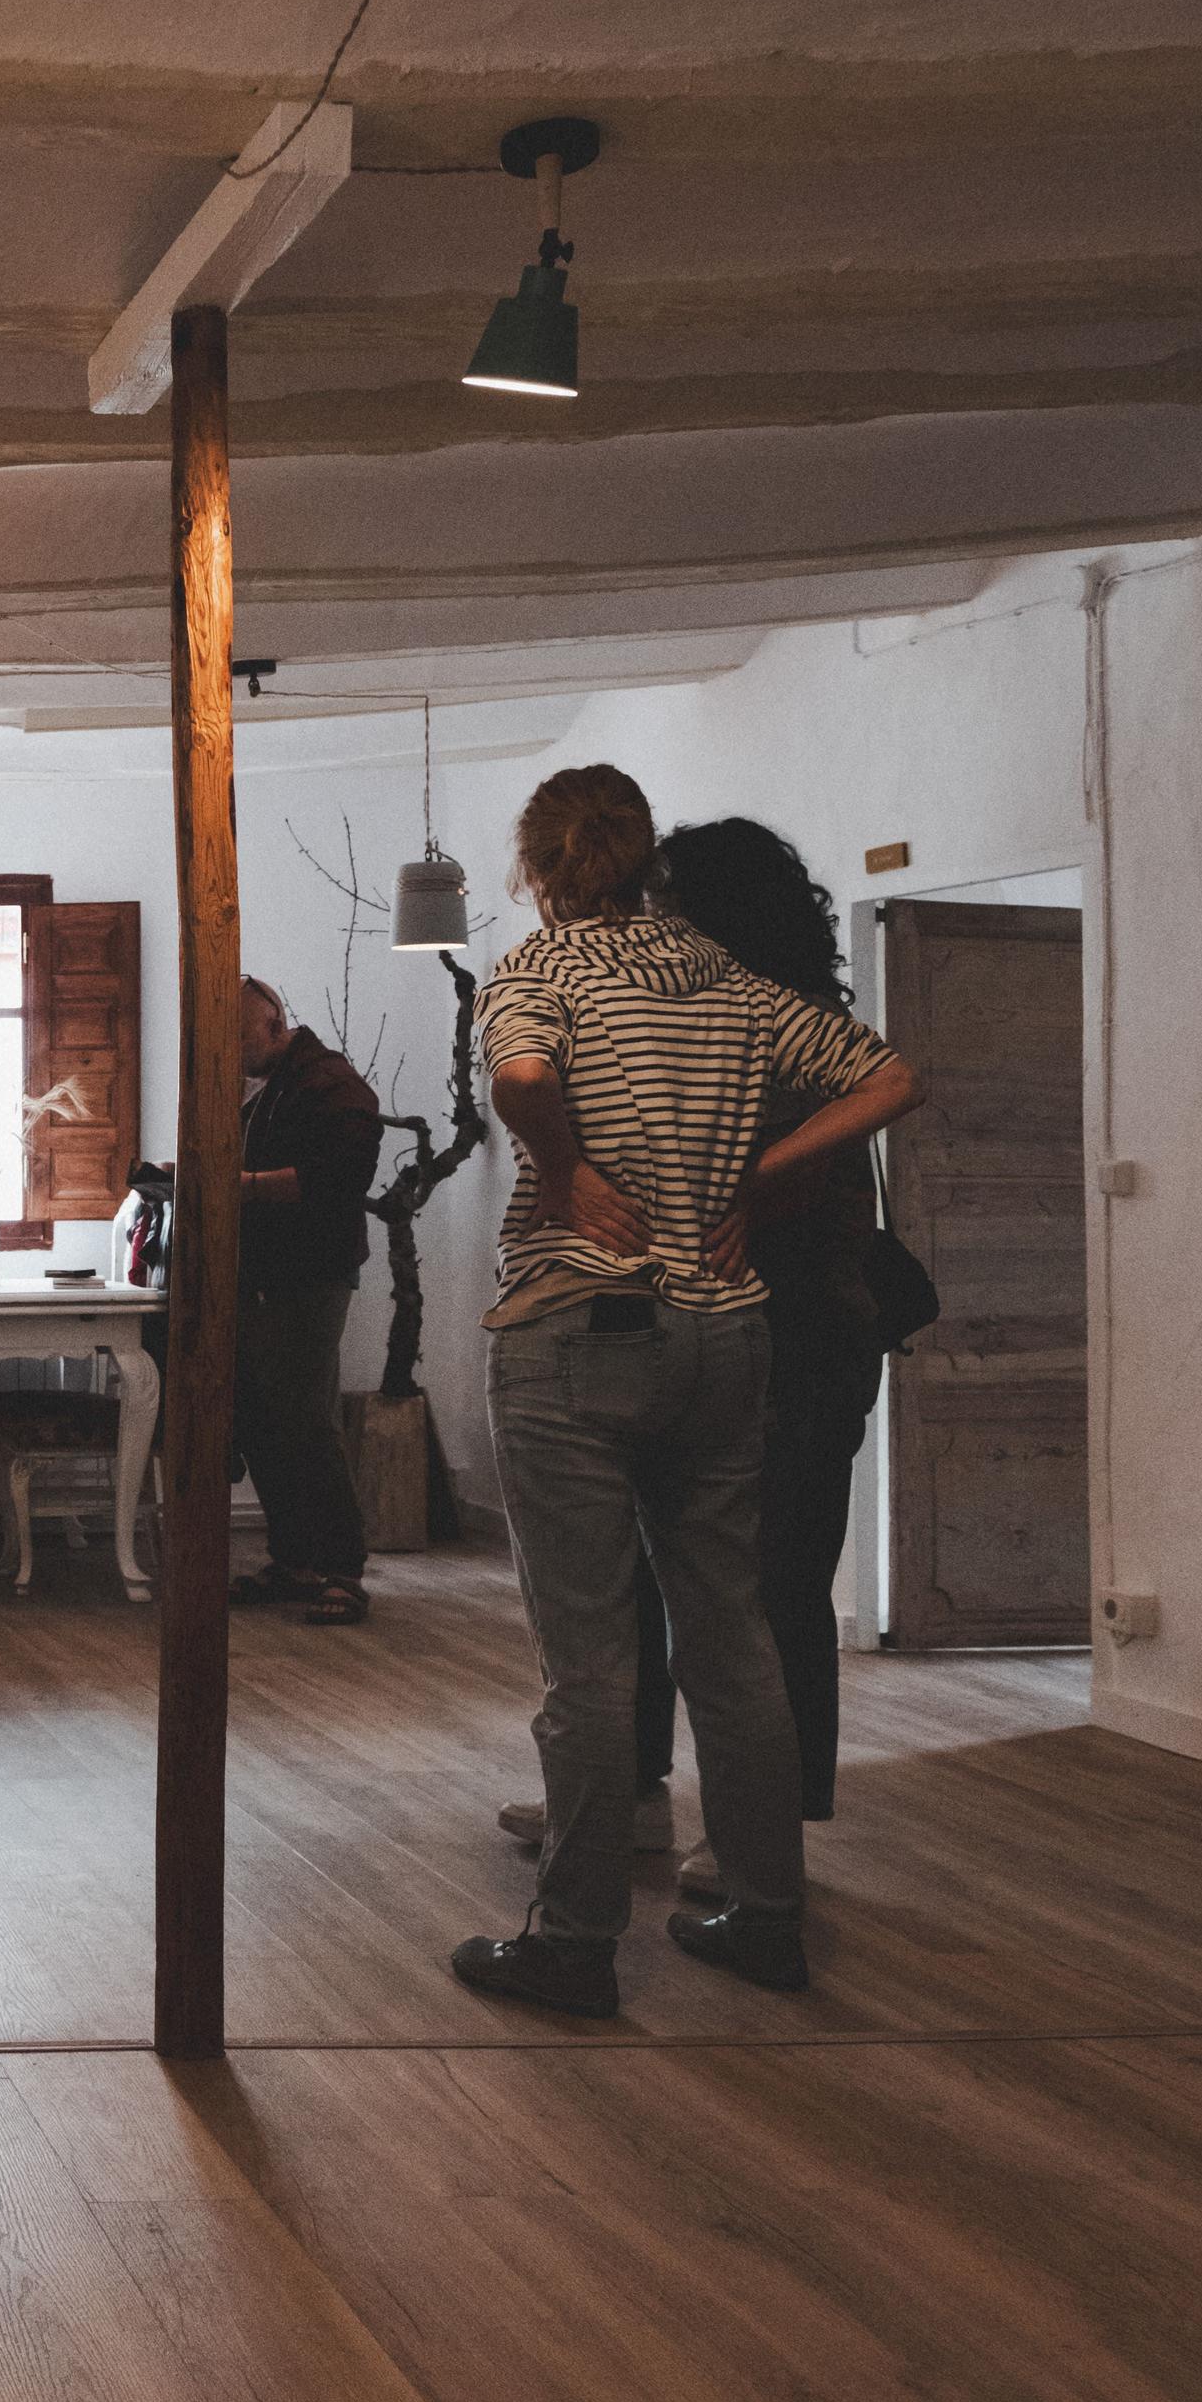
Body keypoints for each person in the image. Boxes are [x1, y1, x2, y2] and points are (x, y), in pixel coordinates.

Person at [455, 763, 919, 2014]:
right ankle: (765, 1916)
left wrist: (560, 1174)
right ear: (647, 854)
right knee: (735, 1635)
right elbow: (888, 1079)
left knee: (590, 1659)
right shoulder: (732, 981)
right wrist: (760, 1183)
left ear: (537, 867)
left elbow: (521, 1081)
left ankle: (573, 1941)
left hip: (577, 1328)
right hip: (728, 1336)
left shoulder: (538, 971)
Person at [658, 816, 893, 1857]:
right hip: (754, 1330)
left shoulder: (784, 1029)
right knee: (705, 1584)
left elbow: (780, 1188)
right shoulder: (740, 1020)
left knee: (776, 1588)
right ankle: (681, 1807)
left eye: (665, 903)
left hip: (797, 1334)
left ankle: (763, 1837)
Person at [231, 977, 384, 1626]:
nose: (233, 1059)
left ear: (272, 1022)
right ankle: (294, 1560)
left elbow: (334, 1181)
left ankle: (344, 1570)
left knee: (308, 1418)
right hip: (270, 1276)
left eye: (237, 1041)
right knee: (265, 1418)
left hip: (312, 1277)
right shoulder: (269, 1089)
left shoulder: (332, 1084)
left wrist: (235, 1186)